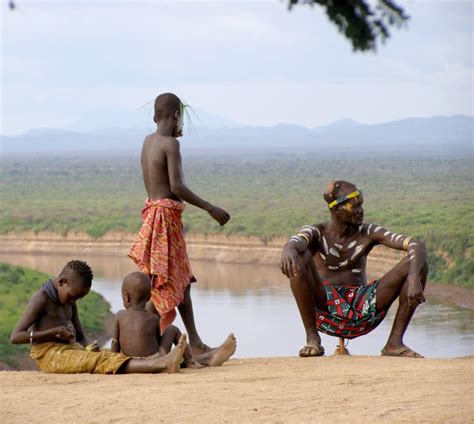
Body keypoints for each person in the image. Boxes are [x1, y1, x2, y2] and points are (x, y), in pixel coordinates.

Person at [128, 92, 235, 356]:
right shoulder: (170, 145)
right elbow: (176, 186)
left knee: (179, 280)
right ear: (176, 116)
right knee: (167, 282)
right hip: (165, 217)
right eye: (180, 120)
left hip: (155, 213)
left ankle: (193, 343)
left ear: (155, 116)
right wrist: (210, 208)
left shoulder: (147, 141)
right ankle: (146, 343)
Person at [280, 180, 428, 358]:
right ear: (337, 210)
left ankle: (394, 343)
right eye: (354, 206)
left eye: (361, 205)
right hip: (325, 306)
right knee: (300, 256)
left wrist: (413, 277)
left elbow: (416, 244)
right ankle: (313, 339)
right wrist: (288, 248)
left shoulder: (367, 232)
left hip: (363, 306)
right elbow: (297, 242)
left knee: (418, 261)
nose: (361, 210)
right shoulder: (316, 232)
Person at [10, 260, 186, 374]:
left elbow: (81, 336)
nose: (74, 301)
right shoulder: (41, 298)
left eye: (78, 298)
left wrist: (89, 346)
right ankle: (161, 364)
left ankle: (169, 361)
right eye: (73, 296)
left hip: (71, 349)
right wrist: (54, 333)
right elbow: (16, 336)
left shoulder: (70, 302)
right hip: (49, 355)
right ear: (62, 282)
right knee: (100, 360)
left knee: (106, 354)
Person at [111, 272, 236, 367]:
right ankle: (191, 361)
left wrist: (114, 361)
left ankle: (205, 357)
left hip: (128, 361)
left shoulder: (119, 316)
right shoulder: (153, 318)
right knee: (172, 329)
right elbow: (156, 343)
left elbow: (115, 343)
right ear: (150, 297)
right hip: (155, 359)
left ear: (126, 297)